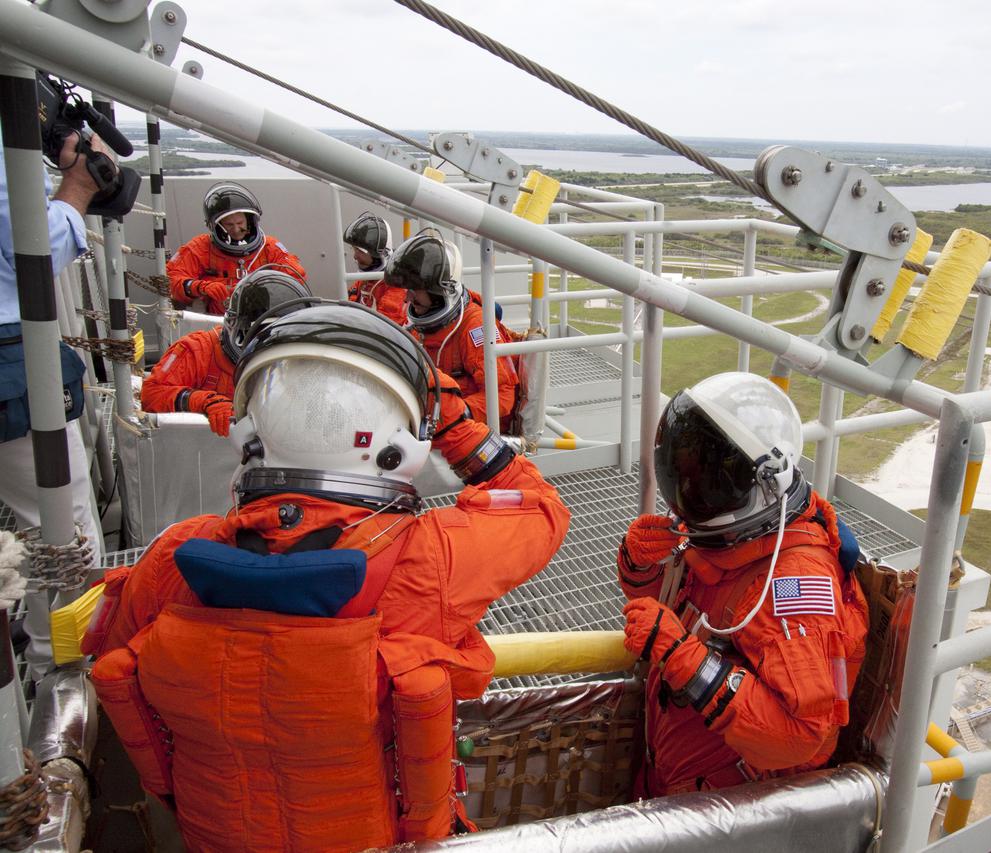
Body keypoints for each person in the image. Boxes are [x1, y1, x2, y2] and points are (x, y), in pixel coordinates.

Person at [82, 301, 570, 851]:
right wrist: (462, 434)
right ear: (398, 448)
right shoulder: (428, 559)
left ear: (250, 437)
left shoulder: (173, 557)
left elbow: (114, 658)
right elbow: (542, 508)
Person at [617, 372, 869, 796]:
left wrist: (680, 657)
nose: (692, 488)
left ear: (763, 487)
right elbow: (675, 615)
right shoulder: (731, 545)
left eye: (709, 479)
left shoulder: (795, 584)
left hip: (729, 808)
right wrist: (640, 567)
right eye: (686, 473)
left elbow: (798, 735)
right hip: (678, 774)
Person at [0, 127, 108, 567]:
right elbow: (35, 249)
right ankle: (60, 639)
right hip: (10, 361)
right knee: (62, 531)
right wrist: (79, 187)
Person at [140, 269, 310, 435]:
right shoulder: (196, 350)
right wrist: (204, 401)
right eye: (258, 335)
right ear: (235, 325)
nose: (265, 345)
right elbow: (151, 395)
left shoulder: (296, 361)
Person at [384, 233, 518, 430]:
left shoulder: (473, 326)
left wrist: (459, 414)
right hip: (431, 414)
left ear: (439, 290)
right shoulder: (418, 318)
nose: (408, 298)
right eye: (407, 290)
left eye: (415, 290)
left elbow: (502, 395)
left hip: (467, 426)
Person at [166, 181, 305, 315]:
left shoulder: (269, 247)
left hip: (261, 321)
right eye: (229, 225)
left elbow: (295, 278)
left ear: (250, 220)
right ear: (216, 226)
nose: (237, 229)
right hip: (217, 324)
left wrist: (264, 288)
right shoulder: (201, 248)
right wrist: (200, 287)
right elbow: (171, 279)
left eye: (240, 223)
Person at [344, 211, 406, 325]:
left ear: (379, 255)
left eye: (360, 251)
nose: (355, 256)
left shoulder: (396, 287)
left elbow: (383, 327)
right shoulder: (364, 280)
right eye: (354, 249)